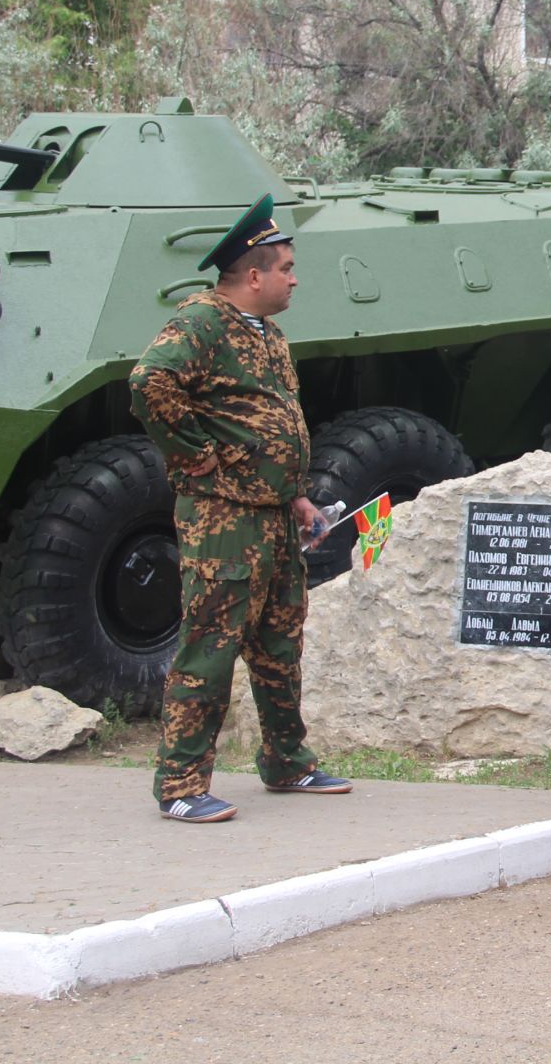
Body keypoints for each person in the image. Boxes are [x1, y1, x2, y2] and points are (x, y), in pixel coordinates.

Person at [129, 193, 348, 824]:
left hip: (273, 515)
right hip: (223, 518)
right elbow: (150, 383)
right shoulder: (201, 323)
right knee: (210, 645)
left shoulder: (268, 334)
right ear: (253, 275)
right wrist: (193, 456)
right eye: (285, 267)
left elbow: (267, 421)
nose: (294, 278)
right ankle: (181, 784)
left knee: (279, 644)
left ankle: (288, 762)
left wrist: (298, 495)